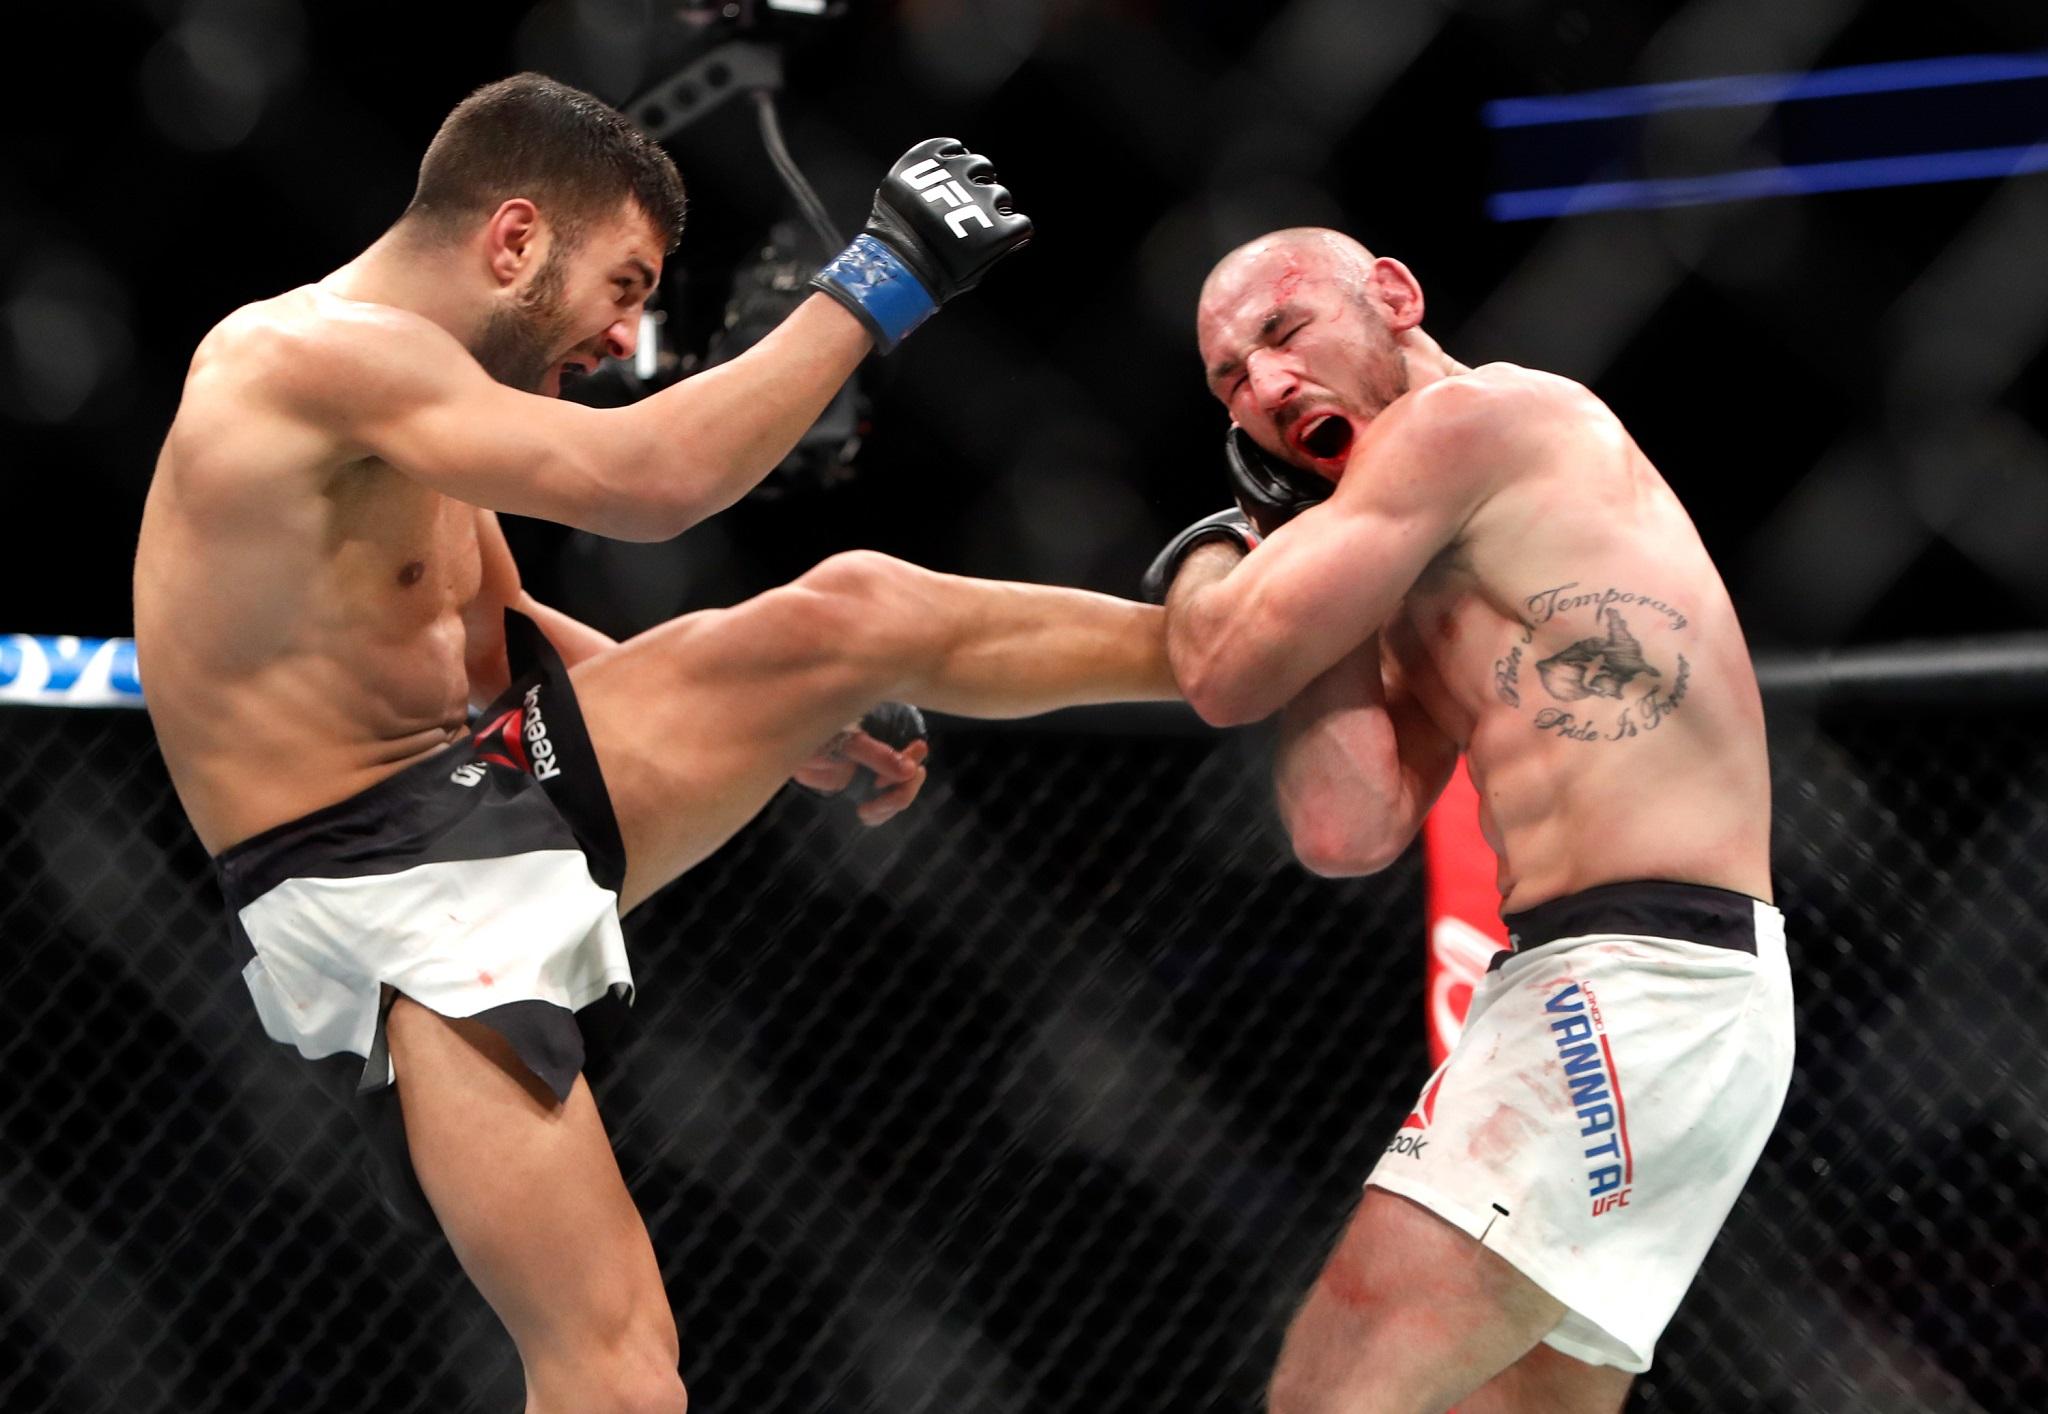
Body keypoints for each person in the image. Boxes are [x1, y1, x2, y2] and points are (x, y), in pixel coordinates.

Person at [133, 73, 1177, 1414]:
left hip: (482, 787)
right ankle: (1222, 633)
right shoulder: (305, 359)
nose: (627, 337)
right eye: (622, 285)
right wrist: (878, 279)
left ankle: (1218, 638)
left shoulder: (421, 392)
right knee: (614, 1375)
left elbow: (490, 621)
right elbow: (649, 483)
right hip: (380, 881)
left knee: (847, 617)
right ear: (514, 239)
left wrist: (761, 722)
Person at [1144, 227, 1794, 1414]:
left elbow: (1224, 666)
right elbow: (1346, 827)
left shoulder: (1478, 422)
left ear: (1393, 294)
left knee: (1332, 1390)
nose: (1265, 387)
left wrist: (1215, 551)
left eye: (1283, 334)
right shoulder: (1416, 567)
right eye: (1230, 379)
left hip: (1628, 978)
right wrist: (1293, 542)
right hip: (1643, 987)